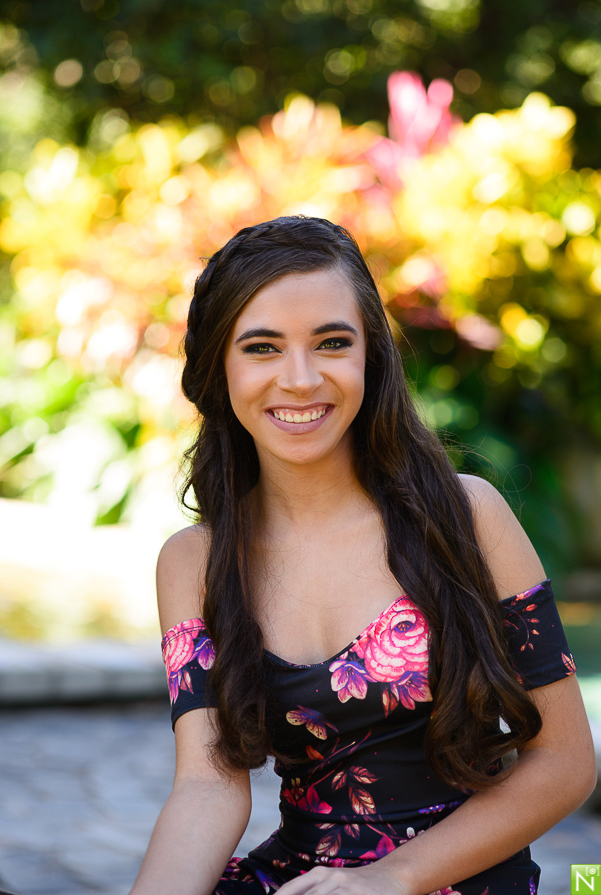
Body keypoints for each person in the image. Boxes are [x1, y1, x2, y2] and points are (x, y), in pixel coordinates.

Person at [130, 216, 596, 895]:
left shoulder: (466, 518)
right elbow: (208, 786)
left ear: (370, 355)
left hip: (460, 879)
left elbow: (563, 762)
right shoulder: (193, 562)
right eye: (261, 347)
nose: (298, 378)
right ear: (217, 367)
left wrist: (390, 879)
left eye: (331, 342)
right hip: (298, 881)